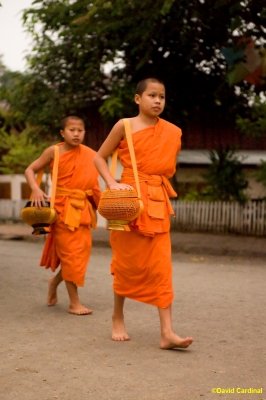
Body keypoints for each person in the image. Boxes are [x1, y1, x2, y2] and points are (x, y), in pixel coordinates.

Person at [94, 78, 194, 349]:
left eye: (161, 96)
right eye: (152, 95)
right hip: (127, 202)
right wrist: (112, 183)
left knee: (162, 268)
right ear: (138, 99)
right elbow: (99, 157)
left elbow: (164, 166)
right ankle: (117, 316)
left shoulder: (173, 131)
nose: (158, 101)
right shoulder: (124, 125)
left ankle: (167, 332)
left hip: (157, 201)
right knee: (126, 265)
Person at [25, 116, 101, 315]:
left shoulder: (91, 155)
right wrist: (36, 189)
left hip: (82, 211)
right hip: (60, 210)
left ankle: (54, 282)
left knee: (79, 256)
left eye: (80, 130)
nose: (76, 134)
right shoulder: (54, 151)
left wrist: (105, 206)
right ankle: (74, 303)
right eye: (71, 130)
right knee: (70, 256)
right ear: (62, 133)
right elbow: (30, 170)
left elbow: (93, 185)